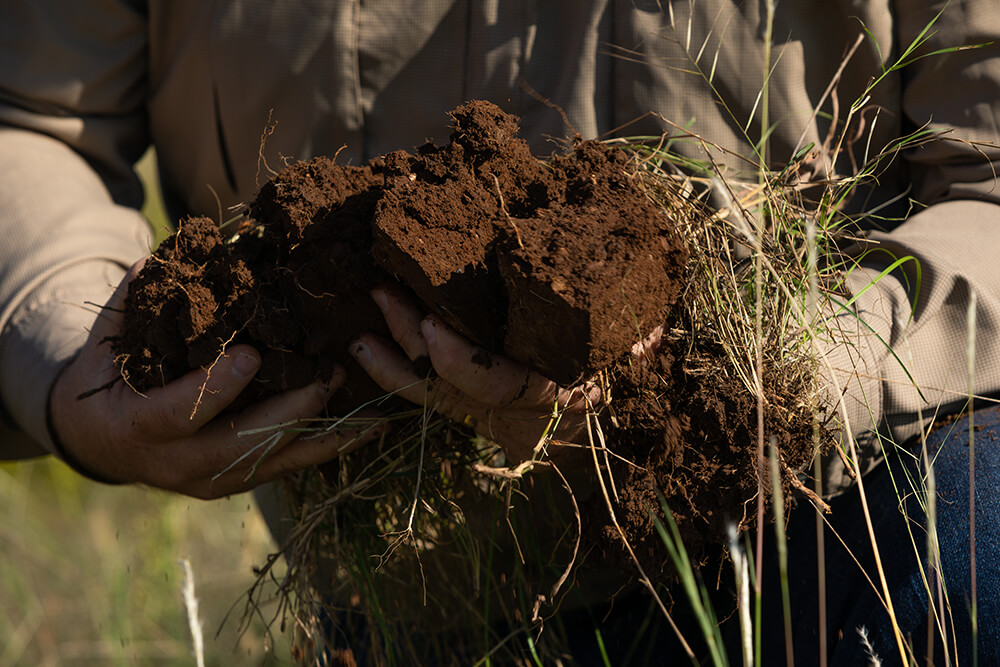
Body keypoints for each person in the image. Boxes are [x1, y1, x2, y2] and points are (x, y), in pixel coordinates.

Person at [1, 0, 999, 663]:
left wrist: (765, 387)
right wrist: (72, 367)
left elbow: (986, 174)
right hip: (404, 581)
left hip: (825, 541)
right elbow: (34, 117)